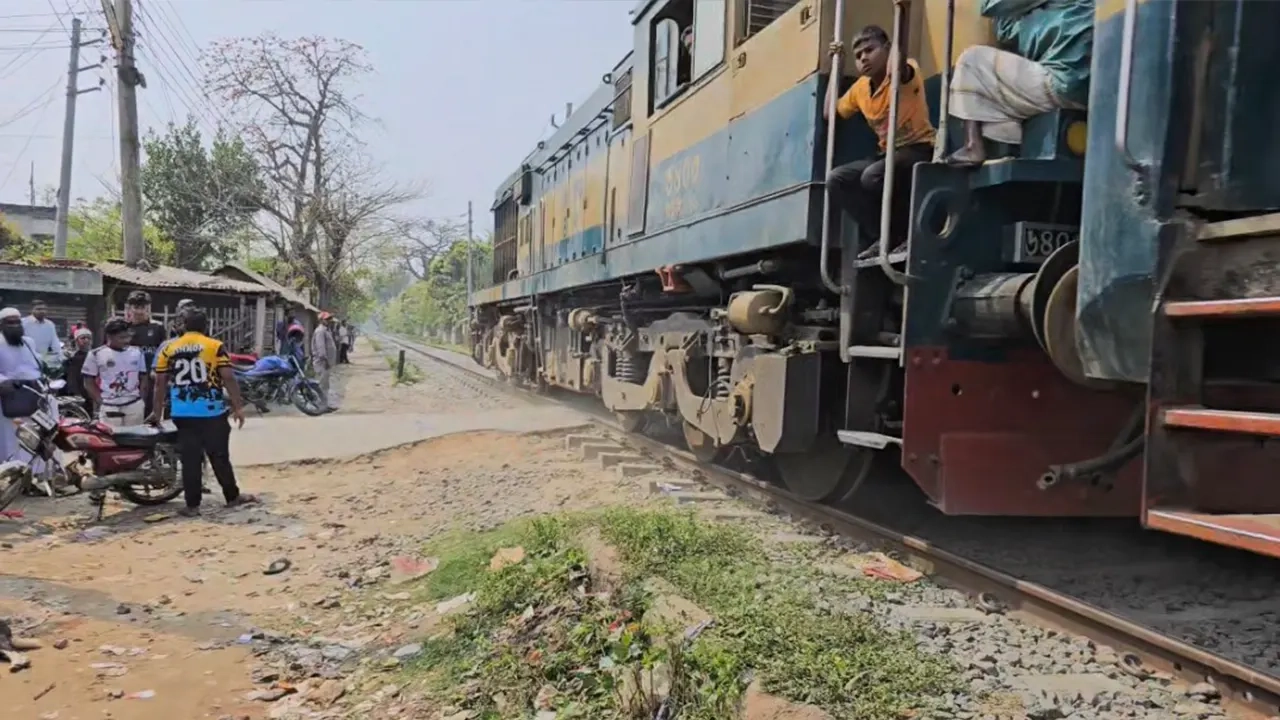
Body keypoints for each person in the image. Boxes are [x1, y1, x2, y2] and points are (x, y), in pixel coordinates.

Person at [825, 17, 935, 259]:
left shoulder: (905, 73)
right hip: (888, 154)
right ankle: (881, 236)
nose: (863, 58)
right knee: (837, 179)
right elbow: (830, 112)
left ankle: (905, 234)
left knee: (873, 175)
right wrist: (837, 66)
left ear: (887, 49)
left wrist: (903, 12)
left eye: (870, 50)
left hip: (919, 147)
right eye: (858, 54)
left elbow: (899, 64)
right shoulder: (860, 88)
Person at [945, 0, 1094, 166]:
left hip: (1063, 82)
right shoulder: (1047, 15)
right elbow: (1007, 31)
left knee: (971, 59)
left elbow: (991, 6)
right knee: (993, 109)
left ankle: (972, 145)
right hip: (1083, 89)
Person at [151, 308, 254, 517]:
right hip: (211, 412)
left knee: (190, 459)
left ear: (183, 326)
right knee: (219, 456)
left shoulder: (169, 349)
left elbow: (159, 383)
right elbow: (228, 377)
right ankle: (232, 497)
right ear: (206, 326)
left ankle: (192, 505)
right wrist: (237, 406)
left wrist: (156, 412)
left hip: (182, 412)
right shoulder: (215, 346)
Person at [82, 318, 151, 427]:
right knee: (110, 441)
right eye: (121, 337)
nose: (126, 340)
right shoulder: (95, 354)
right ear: (109, 336)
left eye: (128, 336)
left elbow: (144, 377)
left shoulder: (137, 352)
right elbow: (88, 382)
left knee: (133, 441)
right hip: (109, 406)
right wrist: (101, 401)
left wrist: (141, 401)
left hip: (134, 405)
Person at [0, 308, 45, 463]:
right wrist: (4, 382)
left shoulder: (28, 342)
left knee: (34, 435)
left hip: (32, 394)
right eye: (10, 323)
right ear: (1, 325)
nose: (15, 325)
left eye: (17, 322)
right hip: (8, 398)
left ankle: (35, 473)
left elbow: (34, 365)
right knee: (10, 439)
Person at [64, 327, 95, 415]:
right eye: (83, 338)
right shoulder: (72, 358)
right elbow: (71, 377)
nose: (86, 340)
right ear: (76, 341)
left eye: (88, 338)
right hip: (78, 392)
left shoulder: (95, 355)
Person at [22, 299, 62, 363]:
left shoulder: (50, 325)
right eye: (38, 309)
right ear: (31, 310)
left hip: (44, 360)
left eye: (44, 309)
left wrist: (59, 358)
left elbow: (55, 344)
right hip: (26, 360)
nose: (42, 311)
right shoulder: (23, 323)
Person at [311, 312, 338, 411]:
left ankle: (324, 405)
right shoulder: (320, 331)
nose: (329, 321)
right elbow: (321, 347)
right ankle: (320, 406)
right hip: (322, 362)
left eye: (329, 319)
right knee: (322, 385)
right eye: (327, 319)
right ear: (321, 320)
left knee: (325, 385)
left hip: (326, 362)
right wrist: (325, 360)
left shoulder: (326, 330)